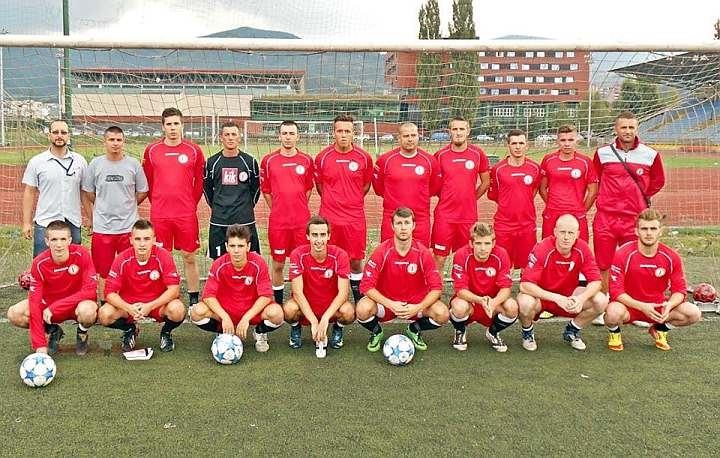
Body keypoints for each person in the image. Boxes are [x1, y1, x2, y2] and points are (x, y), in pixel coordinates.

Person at [604, 209, 701, 351]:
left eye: (653, 229)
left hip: (658, 308)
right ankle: (615, 333)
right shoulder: (623, 254)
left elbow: (679, 290)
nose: (648, 233)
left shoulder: (671, 256)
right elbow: (616, 291)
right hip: (630, 307)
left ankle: (660, 328)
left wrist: (669, 305)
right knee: (612, 313)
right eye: (644, 229)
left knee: (693, 313)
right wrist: (641, 306)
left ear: (660, 231)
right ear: (636, 231)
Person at [356, 207, 448, 352]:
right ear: (392, 226)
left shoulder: (422, 253)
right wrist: (390, 304)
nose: (403, 228)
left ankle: (414, 329)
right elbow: (366, 286)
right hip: (387, 304)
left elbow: (436, 288)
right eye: (399, 223)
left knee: (442, 314)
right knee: (362, 309)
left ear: (413, 225)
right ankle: (376, 332)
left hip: (415, 305)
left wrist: (418, 307)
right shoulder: (382, 251)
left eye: (407, 223)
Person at [593, 111, 665, 291]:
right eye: (623, 127)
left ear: (637, 129)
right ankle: (605, 299)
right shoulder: (602, 153)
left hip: (634, 217)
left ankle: (632, 300)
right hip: (606, 217)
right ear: (616, 129)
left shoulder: (650, 154)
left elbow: (658, 181)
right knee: (603, 262)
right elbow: (596, 179)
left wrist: (639, 197)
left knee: (634, 261)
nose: (627, 131)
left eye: (631, 127)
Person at [143, 107, 205, 306]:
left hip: (185, 213)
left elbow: (199, 182)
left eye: (176, 123)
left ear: (182, 125)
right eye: (168, 124)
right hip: (160, 213)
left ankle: (193, 300)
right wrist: (158, 201)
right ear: (163, 127)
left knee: (189, 256)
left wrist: (190, 203)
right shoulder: (152, 150)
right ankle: (163, 298)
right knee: (161, 257)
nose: (172, 128)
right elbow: (149, 181)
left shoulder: (194, 150)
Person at [517, 214, 608, 351]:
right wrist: (557, 298)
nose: (566, 237)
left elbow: (596, 281)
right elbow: (525, 285)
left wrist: (581, 299)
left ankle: (572, 330)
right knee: (524, 302)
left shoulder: (582, 248)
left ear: (577, 234)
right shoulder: (543, 248)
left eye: (570, 233)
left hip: (569, 297)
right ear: (555, 232)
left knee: (601, 300)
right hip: (543, 298)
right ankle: (527, 332)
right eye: (562, 232)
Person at [7, 220, 98, 355]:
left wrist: (56, 307)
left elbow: (90, 291)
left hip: (76, 305)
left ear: (70, 240)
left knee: (88, 311)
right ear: (47, 241)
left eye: (63, 239)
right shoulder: (38, 263)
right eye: (54, 239)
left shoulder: (82, 253)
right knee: (14, 314)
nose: (59, 244)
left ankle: (82, 332)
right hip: (48, 306)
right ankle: (53, 331)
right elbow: (35, 302)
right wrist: (40, 345)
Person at [190, 224, 284, 353]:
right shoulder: (219, 264)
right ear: (226, 247)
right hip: (225, 310)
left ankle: (259, 332)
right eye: (232, 246)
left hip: (251, 312)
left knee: (277, 314)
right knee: (196, 312)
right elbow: (208, 296)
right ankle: (223, 331)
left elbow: (266, 296)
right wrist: (224, 317)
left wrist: (246, 318)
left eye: (240, 246)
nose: (236, 250)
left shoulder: (258, 263)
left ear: (248, 247)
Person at [81, 126, 148, 301]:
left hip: (128, 227)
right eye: (111, 140)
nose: (115, 143)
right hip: (103, 228)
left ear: (124, 142)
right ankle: (105, 304)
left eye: (119, 140)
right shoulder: (96, 164)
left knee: (130, 268)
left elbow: (142, 191)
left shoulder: (133, 164)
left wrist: (128, 205)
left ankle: (130, 302)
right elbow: (89, 192)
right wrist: (103, 205)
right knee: (104, 271)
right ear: (104, 142)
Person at [98, 219, 185, 352]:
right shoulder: (122, 259)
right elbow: (109, 293)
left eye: (147, 239)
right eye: (138, 239)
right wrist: (128, 308)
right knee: (104, 314)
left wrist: (150, 306)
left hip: (156, 304)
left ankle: (166, 332)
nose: (142, 244)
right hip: (129, 305)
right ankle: (130, 329)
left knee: (178, 310)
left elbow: (174, 289)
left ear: (154, 240)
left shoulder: (163, 256)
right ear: (131, 240)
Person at [315, 114, 373, 303]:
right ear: (333, 133)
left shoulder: (364, 158)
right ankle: (330, 299)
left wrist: (351, 200)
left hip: (354, 219)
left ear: (353, 133)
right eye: (339, 131)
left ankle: (358, 300)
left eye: (347, 131)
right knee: (328, 258)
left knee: (355, 261)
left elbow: (365, 186)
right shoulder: (322, 157)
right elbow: (320, 187)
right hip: (329, 218)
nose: (343, 135)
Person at [282, 216, 355, 357]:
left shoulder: (340, 255)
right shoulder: (297, 254)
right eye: (314, 235)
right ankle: (296, 328)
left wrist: (325, 318)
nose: (319, 240)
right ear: (307, 236)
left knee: (349, 312)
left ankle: (338, 328)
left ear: (329, 236)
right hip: (306, 307)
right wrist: (314, 321)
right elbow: (297, 293)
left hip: (331, 308)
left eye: (322, 235)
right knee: (288, 310)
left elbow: (343, 293)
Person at [260, 120, 314, 305]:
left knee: (301, 263)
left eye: (292, 133)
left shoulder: (306, 160)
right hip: (279, 223)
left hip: (301, 222)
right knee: (278, 263)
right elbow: (266, 191)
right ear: (279, 136)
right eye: (285, 133)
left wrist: (298, 206)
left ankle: (300, 299)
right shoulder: (268, 160)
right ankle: (277, 302)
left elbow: (308, 189)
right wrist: (278, 208)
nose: (288, 137)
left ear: (298, 136)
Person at [432, 116, 491, 272]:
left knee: (465, 258)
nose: (458, 133)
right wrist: (447, 196)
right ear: (449, 132)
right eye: (455, 129)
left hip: (468, 216)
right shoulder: (440, 155)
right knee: (439, 258)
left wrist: (471, 197)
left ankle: (462, 287)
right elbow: (434, 185)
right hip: (445, 216)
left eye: (462, 129)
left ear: (468, 131)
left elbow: (486, 182)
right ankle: (436, 288)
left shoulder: (478, 154)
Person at [22, 120, 87, 256]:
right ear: (49, 135)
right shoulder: (37, 162)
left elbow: (84, 192)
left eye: (63, 132)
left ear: (69, 136)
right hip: (45, 221)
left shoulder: (79, 161)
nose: (59, 135)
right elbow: (29, 192)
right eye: (55, 132)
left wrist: (91, 218)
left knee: (73, 263)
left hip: (72, 221)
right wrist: (26, 223)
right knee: (42, 262)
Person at [449, 222, 518, 352]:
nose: (483, 248)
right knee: (458, 307)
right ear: (471, 243)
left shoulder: (501, 254)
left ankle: (493, 332)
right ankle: (460, 331)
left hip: (492, 302)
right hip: (470, 302)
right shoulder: (461, 254)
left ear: (493, 243)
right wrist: (480, 300)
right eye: (478, 243)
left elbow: (506, 288)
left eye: (487, 243)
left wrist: (494, 302)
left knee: (512, 307)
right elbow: (460, 290)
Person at [372, 122, 441, 247]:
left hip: (420, 218)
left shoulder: (430, 161)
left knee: (420, 254)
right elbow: (379, 189)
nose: (410, 139)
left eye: (413, 135)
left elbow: (434, 188)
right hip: (392, 217)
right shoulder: (385, 160)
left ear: (418, 136)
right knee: (390, 252)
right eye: (406, 136)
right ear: (399, 137)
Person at [204, 121, 261, 259]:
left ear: (239, 137)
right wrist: (218, 206)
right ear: (221, 137)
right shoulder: (212, 162)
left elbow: (256, 189)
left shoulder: (249, 162)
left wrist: (245, 207)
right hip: (219, 221)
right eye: (227, 134)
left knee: (249, 259)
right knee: (219, 261)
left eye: (234, 134)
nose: (230, 138)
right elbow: (207, 190)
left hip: (244, 220)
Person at [487, 129, 540, 269]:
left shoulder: (535, 168)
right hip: (504, 226)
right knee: (502, 265)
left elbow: (534, 190)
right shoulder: (498, 170)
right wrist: (508, 203)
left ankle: (525, 283)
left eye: (521, 143)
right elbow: (495, 195)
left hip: (527, 225)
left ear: (527, 145)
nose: (517, 147)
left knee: (527, 266)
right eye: (514, 143)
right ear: (508, 145)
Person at [539, 124, 598, 242]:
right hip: (552, 212)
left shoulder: (585, 162)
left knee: (579, 247)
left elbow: (593, 191)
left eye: (571, 140)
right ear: (557, 141)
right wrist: (551, 203)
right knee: (549, 247)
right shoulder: (548, 160)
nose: (567, 144)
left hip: (577, 213)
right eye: (563, 140)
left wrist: (581, 209)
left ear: (576, 140)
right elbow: (542, 188)